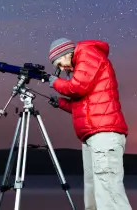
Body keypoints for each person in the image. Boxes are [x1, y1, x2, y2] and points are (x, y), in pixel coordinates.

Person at [47, 38, 132, 210]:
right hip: (93, 137)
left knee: (109, 195)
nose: (62, 69)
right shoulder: (82, 65)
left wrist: (55, 82)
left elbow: (77, 87)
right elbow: (83, 104)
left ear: (67, 53)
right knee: (94, 194)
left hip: (104, 135)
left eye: (60, 63)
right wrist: (61, 103)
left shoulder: (88, 53)